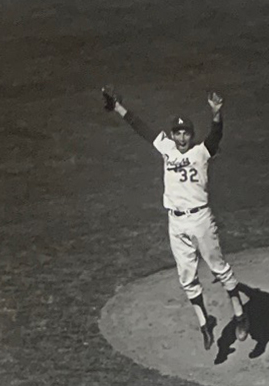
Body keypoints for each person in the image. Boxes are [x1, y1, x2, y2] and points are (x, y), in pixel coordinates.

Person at [102, 86, 248, 350]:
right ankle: (205, 324)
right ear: (172, 135)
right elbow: (141, 128)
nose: (182, 137)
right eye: (178, 133)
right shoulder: (166, 148)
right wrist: (118, 108)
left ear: (192, 135)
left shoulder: (201, 152)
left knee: (219, 267)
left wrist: (217, 113)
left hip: (201, 219)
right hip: (176, 222)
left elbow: (216, 136)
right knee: (186, 277)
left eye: (186, 133)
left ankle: (240, 313)